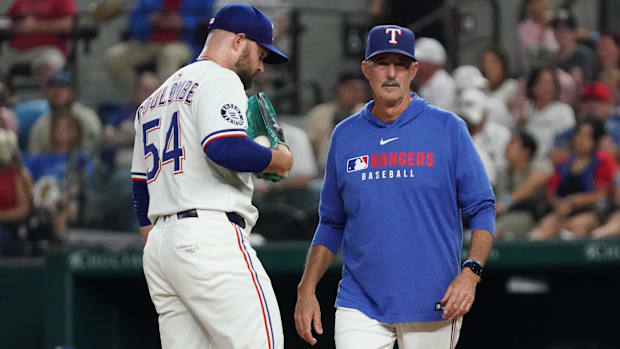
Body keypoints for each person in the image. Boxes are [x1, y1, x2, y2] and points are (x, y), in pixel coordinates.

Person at [294, 25, 495, 349]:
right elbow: (331, 221)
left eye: (400, 64)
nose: (391, 73)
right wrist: (306, 289)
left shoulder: (447, 128)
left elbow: (482, 206)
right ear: (366, 69)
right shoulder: (345, 135)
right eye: (381, 62)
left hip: (433, 297)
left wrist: (471, 273)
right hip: (360, 299)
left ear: (413, 70)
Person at [131, 4, 292, 349]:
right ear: (238, 41)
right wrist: (275, 159)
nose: (262, 66)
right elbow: (223, 147)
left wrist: (165, 242)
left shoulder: (154, 99)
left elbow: (140, 187)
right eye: (261, 53)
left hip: (162, 248)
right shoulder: (220, 77)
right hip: (209, 237)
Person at [528, 118, 617, 240]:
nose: (581, 140)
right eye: (578, 135)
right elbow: (551, 193)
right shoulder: (563, 162)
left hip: (595, 212)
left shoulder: (603, 160)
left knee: (576, 226)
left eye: (587, 136)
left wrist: (573, 201)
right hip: (563, 211)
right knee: (544, 227)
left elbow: (602, 195)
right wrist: (558, 204)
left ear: (596, 140)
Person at [104, 0, 215, 93]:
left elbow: (208, 22)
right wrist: (150, 20)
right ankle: (144, 97)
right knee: (115, 57)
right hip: (148, 42)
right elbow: (133, 24)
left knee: (169, 54)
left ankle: (165, 103)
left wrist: (183, 23)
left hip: (183, 43)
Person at [495, 130, 553, 239]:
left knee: (494, 229)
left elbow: (532, 185)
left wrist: (507, 201)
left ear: (525, 151)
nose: (507, 147)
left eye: (512, 144)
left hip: (530, 215)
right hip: (505, 215)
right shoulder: (503, 173)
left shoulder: (539, 164)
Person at [304, 72, 367, 174]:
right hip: (323, 172)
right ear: (338, 89)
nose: (356, 94)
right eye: (351, 89)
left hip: (360, 170)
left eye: (360, 90)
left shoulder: (369, 113)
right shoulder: (319, 113)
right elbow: (308, 149)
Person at [27, 71, 102, 155]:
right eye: (52, 87)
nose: (57, 91)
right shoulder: (40, 124)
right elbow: (34, 156)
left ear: (71, 92)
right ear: (46, 93)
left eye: (62, 87)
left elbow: (97, 150)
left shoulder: (87, 117)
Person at [4, 0, 77, 78]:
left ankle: (47, 89)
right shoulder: (20, 2)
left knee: (51, 64)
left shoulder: (62, 1)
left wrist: (36, 26)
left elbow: (68, 25)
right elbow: (6, 21)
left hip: (48, 51)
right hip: (15, 51)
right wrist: (15, 26)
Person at [411, 37, 456, 112]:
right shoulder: (418, 82)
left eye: (419, 60)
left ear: (431, 62)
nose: (414, 63)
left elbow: (439, 117)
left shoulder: (444, 84)